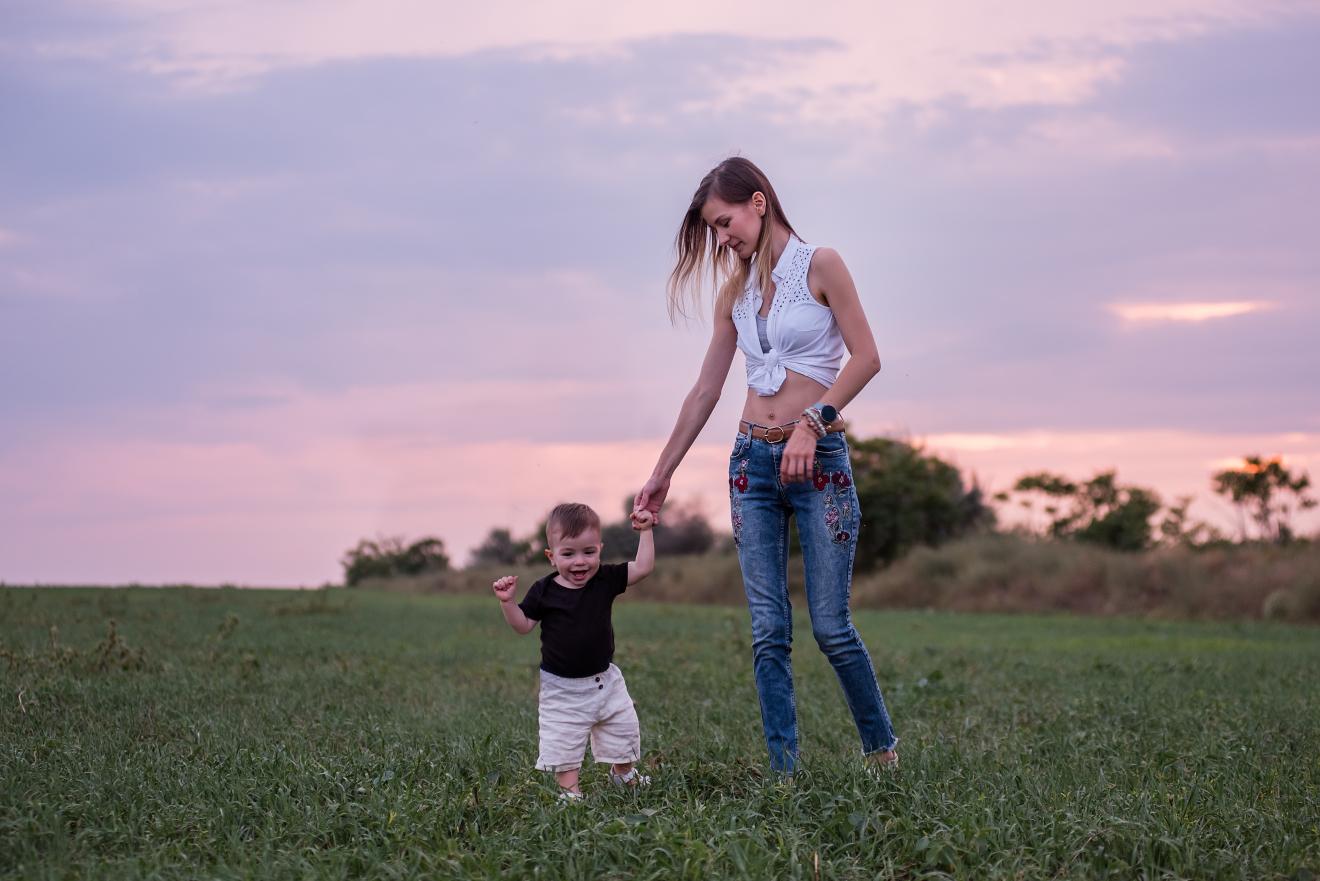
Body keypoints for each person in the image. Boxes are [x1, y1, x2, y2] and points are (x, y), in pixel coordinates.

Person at [633, 156, 898, 774]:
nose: (723, 239)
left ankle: (882, 754)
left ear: (758, 201)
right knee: (768, 634)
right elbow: (705, 390)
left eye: (725, 223)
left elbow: (867, 358)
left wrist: (814, 421)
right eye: (713, 231)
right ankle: (785, 773)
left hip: (818, 462)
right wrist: (661, 472)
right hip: (750, 464)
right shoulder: (736, 291)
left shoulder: (822, 265)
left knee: (831, 628)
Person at [492, 502, 656, 800]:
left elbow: (643, 567)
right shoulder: (544, 591)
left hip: (605, 680)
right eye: (568, 554)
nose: (580, 562)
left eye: (588, 552)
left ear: (599, 550)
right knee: (563, 741)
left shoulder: (605, 580)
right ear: (551, 556)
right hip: (562, 689)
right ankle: (570, 793)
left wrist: (645, 530)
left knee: (623, 728)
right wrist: (508, 603)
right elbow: (523, 625)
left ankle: (624, 775)